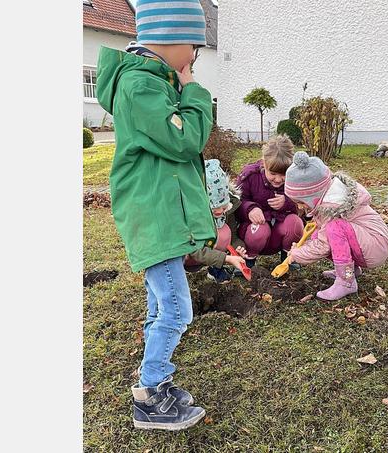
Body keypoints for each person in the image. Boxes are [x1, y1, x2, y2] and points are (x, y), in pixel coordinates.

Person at [95, 0, 214, 430]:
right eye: (194, 46)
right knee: (178, 311)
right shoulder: (141, 87)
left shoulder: (154, 84)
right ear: (169, 40)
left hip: (160, 216)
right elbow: (186, 141)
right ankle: (150, 394)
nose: (195, 57)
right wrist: (194, 92)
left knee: (160, 306)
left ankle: (156, 385)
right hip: (153, 218)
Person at [283, 151, 388, 301]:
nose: (300, 207)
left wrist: (297, 254)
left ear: (314, 196)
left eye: (301, 202)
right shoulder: (329, 197)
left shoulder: (332, 208)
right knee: (318, 233)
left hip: (375, 246)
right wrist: (304, 246)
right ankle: (350, 270)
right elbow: (319, 240)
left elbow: (323, 246)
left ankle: (346, 282)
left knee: (333, 229)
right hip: (365, 242)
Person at [235, 134, 304, 267]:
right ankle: (248, 261)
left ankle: (289, 258)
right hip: (255, 233)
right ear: (264, 163)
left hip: (281, 232)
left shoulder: (296, 179)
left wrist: (287, 202)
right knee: (259, 229)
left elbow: (303, 205)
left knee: (296, 223)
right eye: (273, 173)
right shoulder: (250, 176)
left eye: (283, 174)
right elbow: (236, 202)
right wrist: (250, 209)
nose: (278, 179)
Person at [184, 159, 248, 283]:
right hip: (188, 256)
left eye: (223, 206)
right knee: (181, 255)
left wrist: (238, 249)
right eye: (213, 208)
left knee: (224, 233)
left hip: (209, 253)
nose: (219, 211)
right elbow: (194, 251)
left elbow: (233, 238)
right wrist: (226, 259)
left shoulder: (227, 210)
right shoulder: (190, 215)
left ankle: (215, 270)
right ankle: (177, 275)